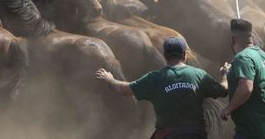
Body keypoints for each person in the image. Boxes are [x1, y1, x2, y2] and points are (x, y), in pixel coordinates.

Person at [95, 36, 229, 139]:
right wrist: (225, 75)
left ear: (164, 55)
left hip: (168, 135)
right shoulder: (199, 74)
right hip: (196, 134)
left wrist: (110, 79)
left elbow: (125, 90)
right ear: (184, 54)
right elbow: (223, 91)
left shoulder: (154, 78)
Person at [220, 19, 265, 139]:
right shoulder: (263, 56)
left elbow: (246, 88)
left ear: (232, 39)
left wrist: (227, 110)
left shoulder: (242, 57)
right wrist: (228, 74)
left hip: (250, 130)